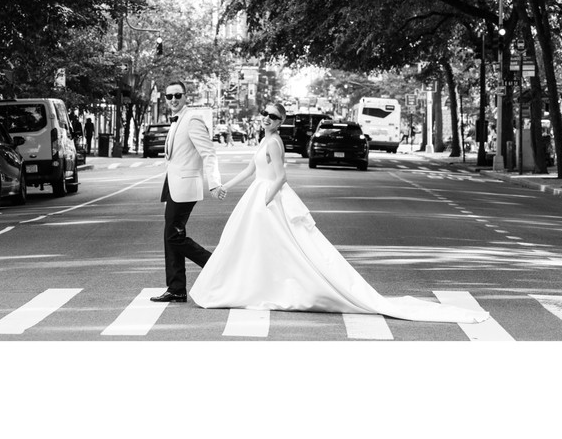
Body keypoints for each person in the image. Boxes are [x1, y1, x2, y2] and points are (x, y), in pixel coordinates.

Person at [189, 103, 490, 324]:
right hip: (257, 197)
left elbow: (280, 177)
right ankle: (255, 285)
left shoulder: (276, 142)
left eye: (273, 117)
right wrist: (221, 187)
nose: (267, 119)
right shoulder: (263, 141)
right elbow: (250, 169)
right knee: (255, 247)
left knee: (286, 248)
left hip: (268, 200)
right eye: (265, 114)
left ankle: (276, 288)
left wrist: (266, 201)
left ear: (280, 122)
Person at [150, 81, 223, 303]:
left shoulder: (192, 119)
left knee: (174, 235)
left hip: (185, 187)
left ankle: (215, 265)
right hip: (173, 186)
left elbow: (209, 153)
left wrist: (214, 182)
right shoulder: (176, 121)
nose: (173, 100)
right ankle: (176, 288)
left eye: (177, 95)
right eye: (169, 96)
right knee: (170, 236)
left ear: (185, 96)